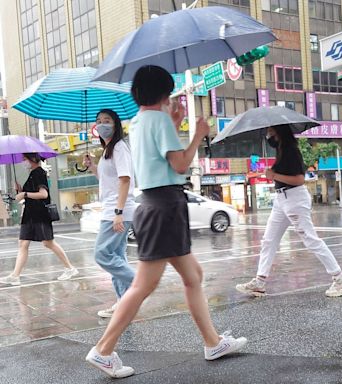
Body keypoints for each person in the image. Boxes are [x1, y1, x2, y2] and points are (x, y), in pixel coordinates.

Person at [85, 65, 246, 379]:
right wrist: (198, 134)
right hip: (165, 207)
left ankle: (212, 343)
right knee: (143, 285)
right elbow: (181, 164)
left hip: (154, 204)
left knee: (193, 275)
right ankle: (103, 350)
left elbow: (159, 158)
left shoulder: (139, 120)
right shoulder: (158, 120)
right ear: (164, 92)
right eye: (170, 92)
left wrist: (175, 123)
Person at [236, 126, 342, 298]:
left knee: (310, 239)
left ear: (279, 132)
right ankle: (259, 282)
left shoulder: (291, 151)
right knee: (269, 240)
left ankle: (340, 278)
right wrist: (272, 174)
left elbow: (299, 179)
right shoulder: (282, 150)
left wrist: (274, 176)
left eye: (271, 131)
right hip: (281, 199)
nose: (269, 135)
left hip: (294, 199)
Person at [83, 109, 136, 318]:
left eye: (107, 121)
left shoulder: (120, 148)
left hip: (117, 210)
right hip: (112, 208)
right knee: (116, 256)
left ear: (116, 125)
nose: (102, 124)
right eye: (98, 121)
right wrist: (92, 167)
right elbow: (108, 181)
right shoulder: (108, 151)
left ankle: (139, 284)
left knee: (102, 254)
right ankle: (124, 304)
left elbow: (125, 180)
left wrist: (118, 212)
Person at [0, 153, 78, 286]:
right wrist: (20, 189)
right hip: (30, 215)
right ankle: (15, 276)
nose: (23, 162)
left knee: (48, 243)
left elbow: (43, 194)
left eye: (25, 159)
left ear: (33, 159)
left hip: (39, 215)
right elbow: (31, 194)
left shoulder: (39, 173)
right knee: (23, 244)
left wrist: (24, 193)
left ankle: (70, 268)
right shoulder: (33, 173)